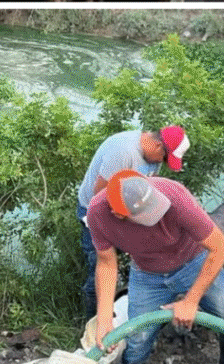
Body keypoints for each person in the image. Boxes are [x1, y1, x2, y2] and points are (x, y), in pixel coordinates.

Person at [89, 171, 224, 364]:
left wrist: (191, 300)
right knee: (137, 341)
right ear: (119, 215)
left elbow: (220, 246)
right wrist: (105, 318)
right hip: (147, 274)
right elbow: (107, 263)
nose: (157, 215)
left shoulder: (174, 196)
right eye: (145, 215)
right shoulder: (98, 214)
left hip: (193, 260)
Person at [76, 125, 190, 320]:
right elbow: (99, 197)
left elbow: (144, 190)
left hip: (125, 212)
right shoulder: (123, 151)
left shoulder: (152, 158)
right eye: (164, 158)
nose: (162, 163)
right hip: (95, 212)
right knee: (100, 265)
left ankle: (121, 310)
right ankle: (93, 323)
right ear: (156, 145)